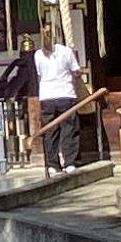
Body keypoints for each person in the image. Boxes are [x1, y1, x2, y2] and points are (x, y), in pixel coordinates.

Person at [32, 30, 88, 167]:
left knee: (50, 131)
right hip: (65, 94)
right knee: (69, 129)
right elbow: (76, 71)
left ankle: (52, 165)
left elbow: (40, 74)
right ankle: (71, 162)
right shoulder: (66, 51)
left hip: (47, 96)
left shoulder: (38, 54)